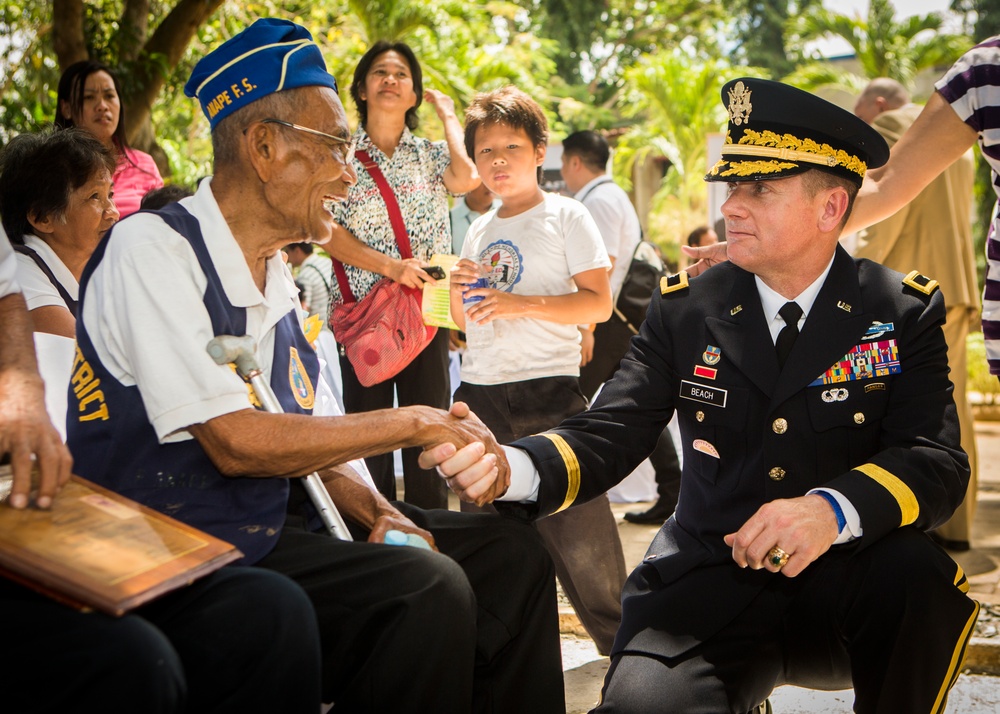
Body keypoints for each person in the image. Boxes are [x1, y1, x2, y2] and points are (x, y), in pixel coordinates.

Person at [426, 77, 978, 713]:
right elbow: (613, 428)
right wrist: (511, 466)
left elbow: (934, 461)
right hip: (710, 583)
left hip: (850, 584)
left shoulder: (898, 310)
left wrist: (829, 510)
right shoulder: (686, 310)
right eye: (733, 186)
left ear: (830, 209)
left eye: (759, 189)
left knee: (921, 580)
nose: (731, 207)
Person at [66, 19, 563, 713]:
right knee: (424, 591)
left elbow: (308, 443)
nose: (349, 169)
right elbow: (236, 440)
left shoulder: (276, 277)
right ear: (265, 148)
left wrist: (383, 512)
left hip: (274, 523)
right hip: (177, 544)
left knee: (513, 558)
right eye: (336, 145)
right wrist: (414, 422)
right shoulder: (153, 250)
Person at [0, 224, 324, 713]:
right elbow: (235, 443)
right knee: (129, 657)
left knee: (271, 611)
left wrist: (21, 391)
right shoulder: (144, 257)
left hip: (29, 515)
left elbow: (6, 298)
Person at [450, 86, 626, 655]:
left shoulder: (567, 215)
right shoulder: (478, 228)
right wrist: (453, 295)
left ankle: (632, 665)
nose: (497, 161)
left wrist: (518, 303)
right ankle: (506, 669)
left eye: (511, 147)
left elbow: (597, 304)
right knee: (494, 550)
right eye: (485, 152)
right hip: (479, 395)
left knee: (586, 549)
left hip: (547, 395)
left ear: (539, 151)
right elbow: (465, 321)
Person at [326, 40, 479, 510]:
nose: (390, 80)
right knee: (368, 434)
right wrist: (393, 268)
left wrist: (451, 116)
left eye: (401, 75)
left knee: (429, 430)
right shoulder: (338, 155)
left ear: (413, 95)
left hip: (425, 313)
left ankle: (433, 531)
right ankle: (376, 528)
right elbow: (322, 231)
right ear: (361, 88)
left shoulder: (430, 155)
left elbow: (468, 178)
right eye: (379, 72)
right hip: (363, 318)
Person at [852, 77, 980, 552]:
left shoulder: (891, 127)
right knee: (954, 406)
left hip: (906, 288)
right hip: (957, 281)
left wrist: (849, 270)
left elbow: (886, 206)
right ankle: (956, 523)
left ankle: (913, 517)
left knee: (892, 405)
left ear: (880, 105)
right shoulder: (961, 136)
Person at [0, 128, 120, 338]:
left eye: (110, 194)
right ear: (42, 217)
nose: (113, 213)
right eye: (94, 196)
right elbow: (88, 360)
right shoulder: (18, 273)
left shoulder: (96, 274)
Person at [55, 60, 164, 218]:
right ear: (67, 109)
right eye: (89, 97)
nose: (102, 105)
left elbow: (164, 224)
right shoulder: (54, 170)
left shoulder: (144, 165)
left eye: (109, 96)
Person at [284, 242, 334, 328]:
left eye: (288, 251)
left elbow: (304, 309)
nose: (287, 257)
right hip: (335, 323)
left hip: (322, 329)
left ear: (297, 251)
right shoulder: (327, 262)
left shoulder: (305, 276)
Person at [451, 180, 499, 255]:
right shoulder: (450, 218)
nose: (489, 185)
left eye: (493, 178)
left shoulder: (510, 211)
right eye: (482, 180)